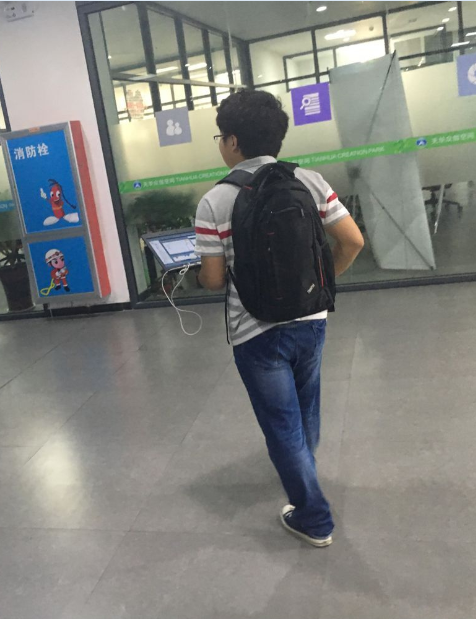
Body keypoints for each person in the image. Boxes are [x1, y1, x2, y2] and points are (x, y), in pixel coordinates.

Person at [195, 90, 364, 547]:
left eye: (220, 137)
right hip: (312, 318)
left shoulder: (214, 201)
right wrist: (320, 283)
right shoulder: (309, 181)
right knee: (306, 408)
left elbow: (213, 280)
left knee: (280, 424)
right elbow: (352, 241)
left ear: (233, 141)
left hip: (256, 331)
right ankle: (302, 469)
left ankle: (314, 518)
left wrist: (200, 272)